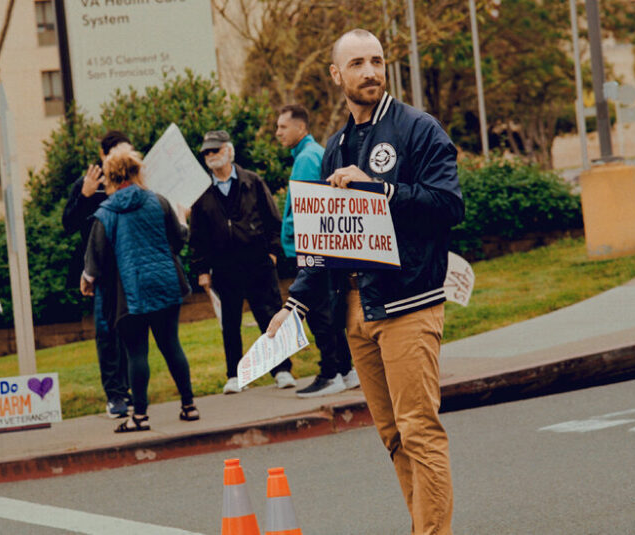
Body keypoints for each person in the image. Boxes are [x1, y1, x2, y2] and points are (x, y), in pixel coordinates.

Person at [267, 29, 464, 535]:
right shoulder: (334, 148)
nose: (370, 71)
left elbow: (448, 206)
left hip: (409, 305)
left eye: (376, 61)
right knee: (394, 437)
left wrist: (378, 189)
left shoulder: (419, 129)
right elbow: (325, 243)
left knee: (419, 432)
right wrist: (294, 307)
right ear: (337, 75)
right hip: (356, 311)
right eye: (356, 63)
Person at [81, 146, 198, 432]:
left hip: (129, 292)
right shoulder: (158, 201)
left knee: (136, 354)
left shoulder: (106, 213)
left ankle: (140, 417)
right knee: (172, 346)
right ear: (137, 171)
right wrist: (184, 218)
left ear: (110, 177)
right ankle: (189, 406)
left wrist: (87, 278)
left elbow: (95, 257)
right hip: (165, 282)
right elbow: (179, 239)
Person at [189, 130, 296, 394]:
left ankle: (282, 370)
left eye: (215, 150)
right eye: (206, 152)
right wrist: (202, 269)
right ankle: (235, 375)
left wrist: (272, 253)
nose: (210, 156)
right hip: (225, 267)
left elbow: (272, 220)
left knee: (269, 316)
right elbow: (197, 236)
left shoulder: (252, 181)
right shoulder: (201, 193)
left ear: (228, 150)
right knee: (230, 324)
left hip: (258, 263)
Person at [275, 104, 359, 398]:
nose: (278, 133)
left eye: (283, 127)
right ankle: (346, 371)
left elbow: (311, 208)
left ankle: (331, 373)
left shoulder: (308, 157)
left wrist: (306, 249)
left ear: (301, 128)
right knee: (327, 308)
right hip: (313, 248)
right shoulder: (307, 155)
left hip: (310, 249)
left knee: (317, 312)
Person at [63, 131, 133, 418]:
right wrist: (84, 196)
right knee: (106, 332)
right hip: (101, 270)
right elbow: (68, 224)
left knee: (131, 330)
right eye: (116, 154)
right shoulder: (88, 182)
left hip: (129, 266)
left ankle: (130, 390)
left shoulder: (133, 183)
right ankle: (115, 395)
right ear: (104, 155)